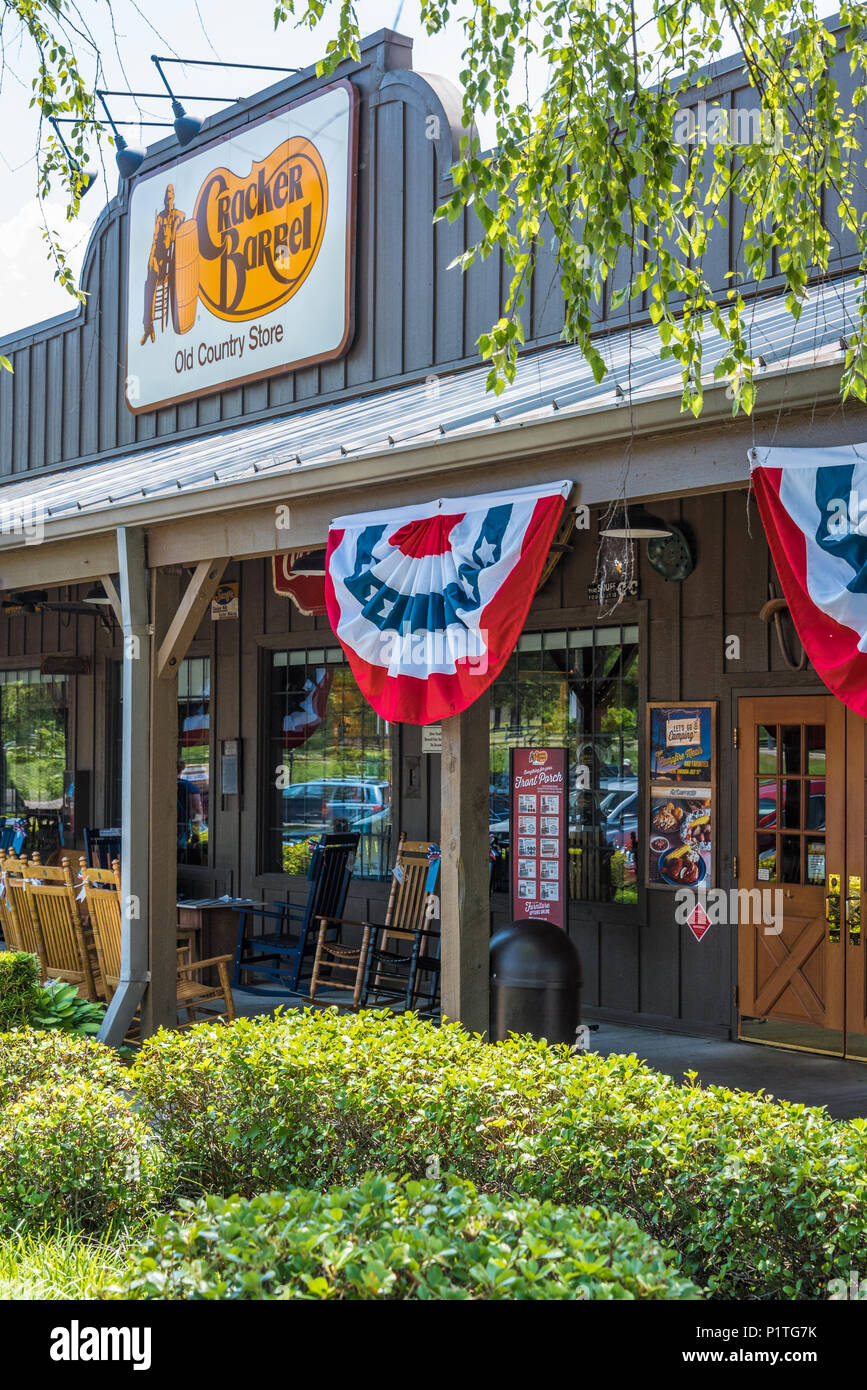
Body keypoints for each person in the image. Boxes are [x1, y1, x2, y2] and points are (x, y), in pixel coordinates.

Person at [141, 184, 185, 345]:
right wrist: (152, 260)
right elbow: (155, 240)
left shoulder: (180, 216)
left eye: (170, 195)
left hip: (173, 260)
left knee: (177, 280)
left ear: (173, 196)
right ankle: (148, 326)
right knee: (149, 283)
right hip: (160, 258)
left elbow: (181, 239)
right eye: (166, 195)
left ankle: (176, 322)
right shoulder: (160, 217)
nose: (168, 198)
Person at [177, 759, 204, 857]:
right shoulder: (189, 787)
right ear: (181, 769)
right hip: (180, 832)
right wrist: (196, 833)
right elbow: (197, 812)